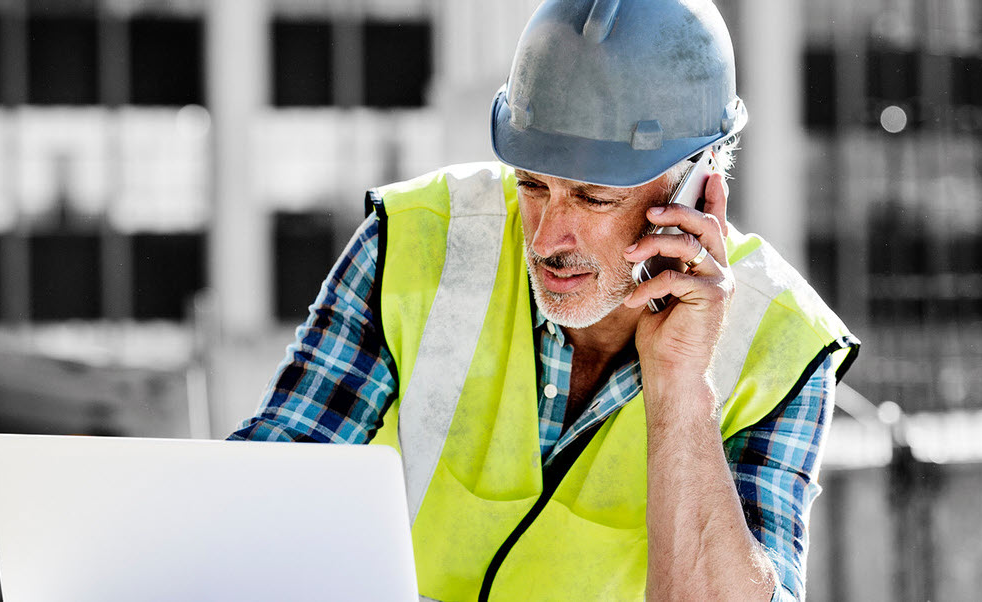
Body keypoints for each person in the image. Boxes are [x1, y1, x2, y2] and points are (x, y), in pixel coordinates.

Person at [230, 0, 858, 600]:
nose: (548, 238)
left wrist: (681, 390)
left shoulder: (784, 344)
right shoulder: (413, 242)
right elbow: (260, 508)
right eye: (532, 184)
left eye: (594, 198)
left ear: (696, 189)